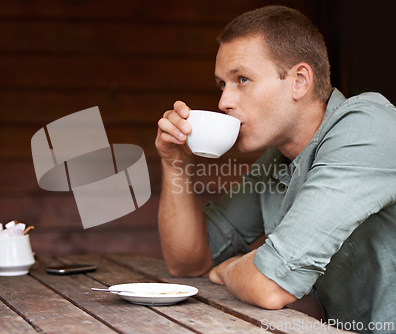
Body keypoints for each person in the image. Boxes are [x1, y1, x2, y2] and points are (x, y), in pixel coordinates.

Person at [155, 5, 396, 332]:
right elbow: (188, 262)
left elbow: (269, 285)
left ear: (299, 81)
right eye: (221, 85)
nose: (224, 101)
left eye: (241, 79)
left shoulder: (368, 127)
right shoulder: (279, 158)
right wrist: (174, 163)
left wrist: (227, 270)